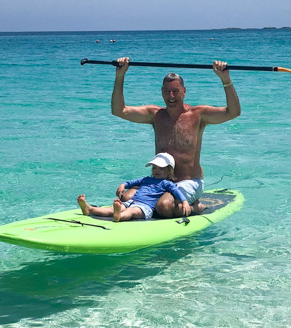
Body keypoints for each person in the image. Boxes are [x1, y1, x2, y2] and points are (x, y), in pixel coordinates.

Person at [111, 57, 240, 217]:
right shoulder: (155, 115)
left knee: (163, 206)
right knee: (126, 196)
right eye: (167, 92)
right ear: (161, 92)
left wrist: (225, 80)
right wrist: (120, 75)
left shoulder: (198, 115)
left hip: (189, 181)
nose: (171, 96)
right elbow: (119, 110)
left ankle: (195, 207)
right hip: (161, 181)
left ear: (184, 92)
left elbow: (233, 112)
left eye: (175, 91)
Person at [77, 152, 187, 223]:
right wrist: (123, 185)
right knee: (110, 209)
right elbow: (131, 182)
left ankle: (118, 215)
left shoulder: (166, 183)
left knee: (131, 212)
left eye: (161, 168)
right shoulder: (146, 179)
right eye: (154, 168)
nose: (156, 171)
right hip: (133, 201)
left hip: (146, 208)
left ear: (169, 171)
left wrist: (184, 201)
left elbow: (176, 191)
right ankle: (90, 209)